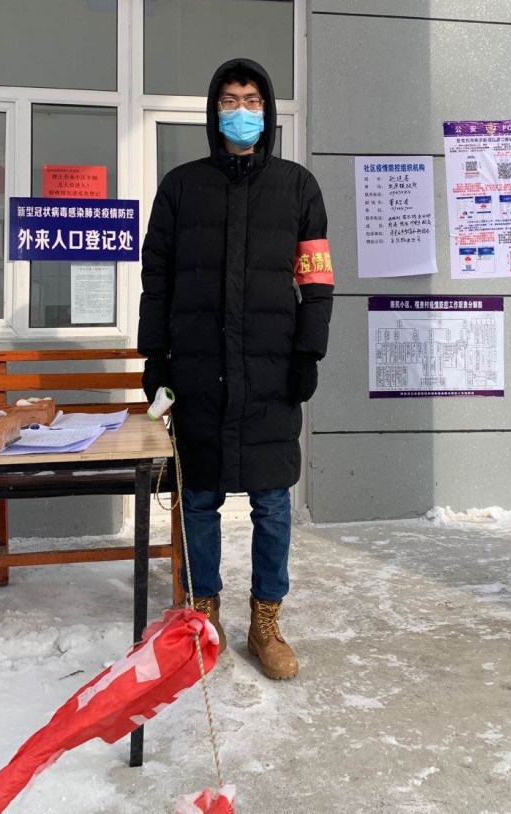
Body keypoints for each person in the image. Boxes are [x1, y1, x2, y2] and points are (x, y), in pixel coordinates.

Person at [138, 57, 334, 680]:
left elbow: (317, 283)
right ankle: (204, 616)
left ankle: (265, 622)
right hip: (197, 374)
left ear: (267, 111)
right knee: (199, 500)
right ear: (213, 110)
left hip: (271, 374)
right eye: (230, 100)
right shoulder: (180, 187)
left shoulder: (298, 188)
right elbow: (156, 279)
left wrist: (308, 354)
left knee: (273, 504)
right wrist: (155, 358)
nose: (241, 111)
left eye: (251, 100)